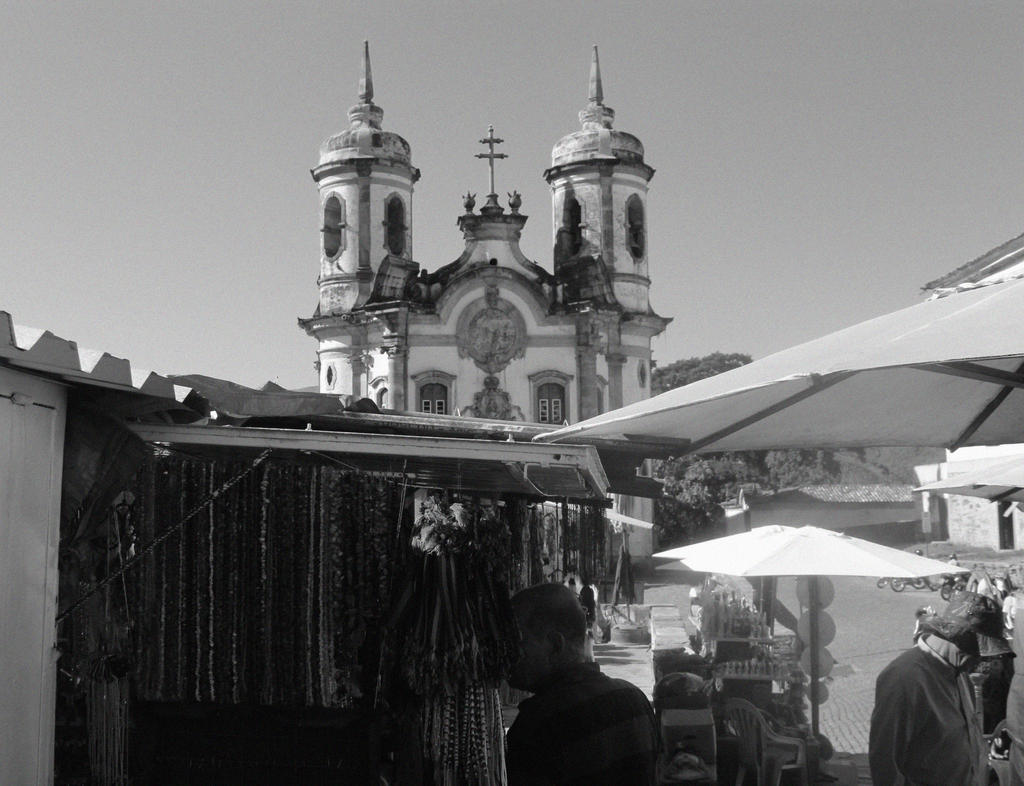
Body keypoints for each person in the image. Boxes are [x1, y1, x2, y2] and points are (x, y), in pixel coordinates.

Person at [506, 583, 658, 785]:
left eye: (518, 643)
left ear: (554, 645)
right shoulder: (634, 698)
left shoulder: (537, 724)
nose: (509, 654)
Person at [869, 590, 1003, 786]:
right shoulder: (904, 679)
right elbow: (884, 765)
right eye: (982, 654)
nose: (984, 662)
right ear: (961, 643)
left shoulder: (957, 670)